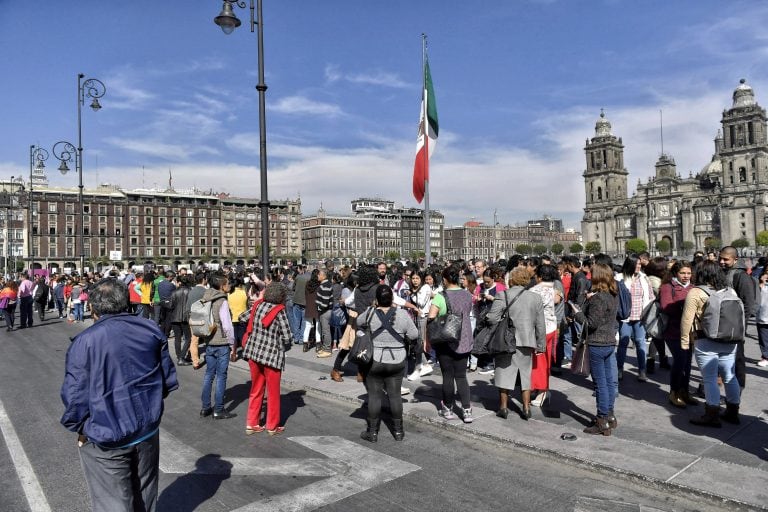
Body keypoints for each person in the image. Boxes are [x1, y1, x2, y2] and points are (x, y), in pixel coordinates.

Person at [60, 278, 178, 511]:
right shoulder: (150, 329)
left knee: (112, 502)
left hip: (106, 434)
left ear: (93, 307)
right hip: (146, 428)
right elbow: (166, 379)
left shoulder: (85, 342)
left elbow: (75, 395)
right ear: (125, 301)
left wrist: (80, 427)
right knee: (145, 494)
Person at [681, 261, 742, 427]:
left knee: (709, 378)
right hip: (729, 340)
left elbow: (687, 319)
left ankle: (712, 415)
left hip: (705, 339)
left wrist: (685, 341)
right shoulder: (730, 290)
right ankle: (733, 412)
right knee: (730, 376)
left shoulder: (696, 292)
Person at [358, 285, 419, 442]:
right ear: (392, 299)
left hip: (375, 360)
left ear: (377, 300)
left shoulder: (370, 313)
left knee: (374, 396)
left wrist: (372, 308)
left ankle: (372, 432)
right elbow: (414, 334)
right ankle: (398, 432)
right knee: (395, 395)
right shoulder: (402, 314)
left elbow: (358, 322)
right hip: (397, 359)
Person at [487, 267, 546, 420]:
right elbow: (540, 324)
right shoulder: (535, 298)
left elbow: (492, 318)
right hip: (527, 340)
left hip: (506, 340)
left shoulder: (502, 295)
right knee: (525, 375)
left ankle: (503, 408)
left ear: (511, 279)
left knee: (503, 372)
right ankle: (526, 408)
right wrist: (541, 343)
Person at [571, 263, 619, 436]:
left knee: (600, 385)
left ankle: (602, 420)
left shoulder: (599, 298)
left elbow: (590, 323)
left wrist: (577, 312)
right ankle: (610, 416)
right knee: (608, 382)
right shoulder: (612, 294)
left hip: (597, 343)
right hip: (608, 342)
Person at [243, 282, 293, 436]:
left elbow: (242, 317)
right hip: (271, 356)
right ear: (281, 296)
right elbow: (287, 336)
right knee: (272, 392)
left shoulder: (258, 305)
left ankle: (252, 423)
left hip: (253, 353)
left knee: (256, 389)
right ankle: (272, 425)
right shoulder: (279, 311)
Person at [428, 265, 475, 423]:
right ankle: (467, 410)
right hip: (464, 338)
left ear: (445, 280)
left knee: (448, 375)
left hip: (446, 340)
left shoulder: (440, 296)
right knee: (461, 376)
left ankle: (448, 409)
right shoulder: (468, 294)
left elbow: (431, 316)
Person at [199, 274, 238, 420]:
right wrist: (232, 343)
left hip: (209, 340)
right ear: (222, 286)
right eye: (227, 283)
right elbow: (227, 326)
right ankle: (219, 409)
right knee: (221, 376)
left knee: (209, 375)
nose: (229, 285)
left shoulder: (206, 297)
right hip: (221, 342)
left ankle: (205, 407)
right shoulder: (222, 300)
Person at [659, 260, 697, 407]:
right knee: (680, 360)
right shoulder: (668, 287)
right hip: (673, 331)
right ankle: (674, 392)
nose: (686, 276)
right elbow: (666, 307)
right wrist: (686, 307)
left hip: (690, 332)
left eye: (688, 273)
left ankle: (684, 392)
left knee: (687, 363)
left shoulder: (693, 287)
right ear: (675, 273)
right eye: (683, 273)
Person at [719, 246, 755, 389]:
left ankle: (738, 389)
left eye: (725, 259)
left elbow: (748, 304)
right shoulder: (724, 272)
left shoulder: (741, 276)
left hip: (736, 326)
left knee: (737, 358)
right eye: (720, 258)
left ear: (735, 259)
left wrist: (741, 325)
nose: (721, 261)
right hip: (723, 324)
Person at [616, 254, 655, 382]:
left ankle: (642, 370)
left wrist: (649, 313)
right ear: (630, 264)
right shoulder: (619, 278)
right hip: (625, 317)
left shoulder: (644, 278)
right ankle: (619, 369)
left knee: (640, 343)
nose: (639, 266)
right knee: (623, 342)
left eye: (640, 264)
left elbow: (650, 296)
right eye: (636, 264)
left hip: (640, 316)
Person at [529, 264, 562, 407]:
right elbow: (557, 300)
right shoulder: (554, 290)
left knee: (538, 363)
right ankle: (542, 389)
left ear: (540, 276)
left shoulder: (534, 291)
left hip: (538, 330)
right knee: (546, 361)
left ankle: (541, 391)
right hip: (551, 328)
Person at [169, 274, 193, 366]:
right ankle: (182, 357)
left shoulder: (174, 292)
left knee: (177, 338)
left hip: (175, 317)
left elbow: (170, 305)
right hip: (186, 317)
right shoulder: (190, 291)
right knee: (188, 337)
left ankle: (179, 356)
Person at [756, 270, 768, 368]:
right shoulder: (760, 284)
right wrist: (760, 284)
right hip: (763, 315)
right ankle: (765, 357)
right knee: (763, 338)